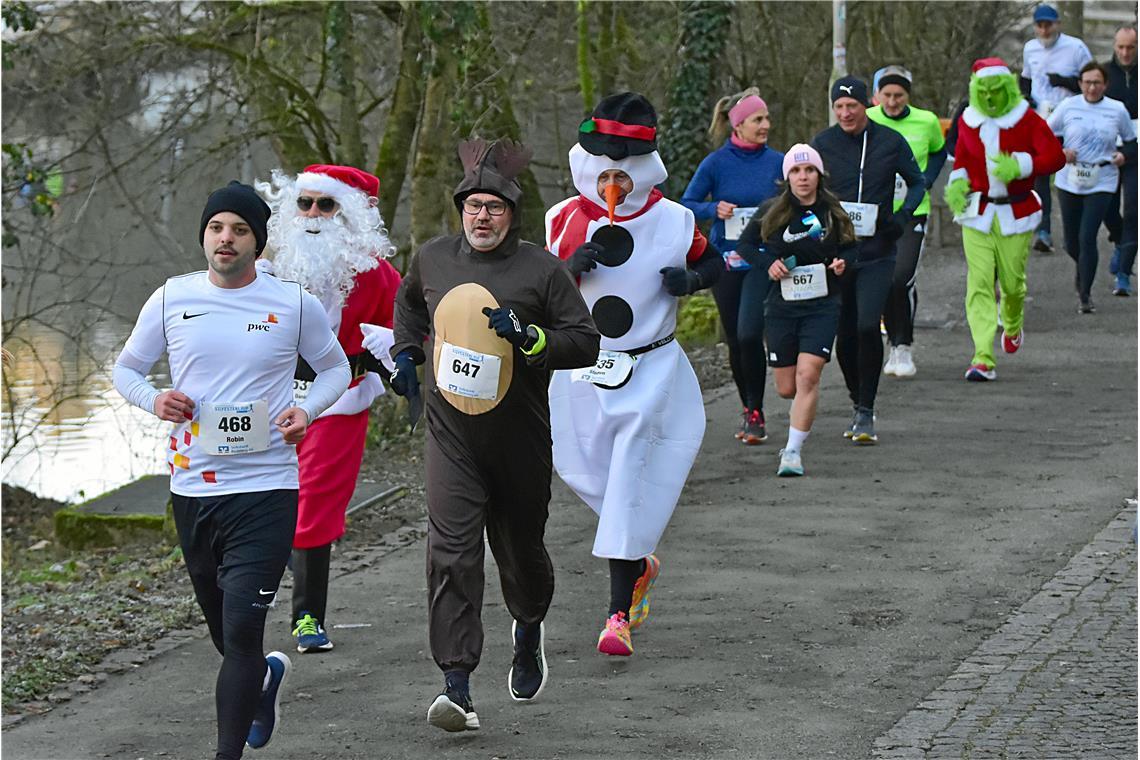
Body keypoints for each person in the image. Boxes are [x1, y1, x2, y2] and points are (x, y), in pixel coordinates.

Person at [112, 182, 351, 759]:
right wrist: (155, 399)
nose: (226, 239)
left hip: (267, 486)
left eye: (239, 230)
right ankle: (265, 681)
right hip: (194, 487)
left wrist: (307, 409)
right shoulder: (171, 298)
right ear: (204, 237)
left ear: (257, 242)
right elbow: (126, 370)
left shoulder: (293, 303)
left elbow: (335, 370)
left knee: (243, 633)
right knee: (226, 634)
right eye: (217, 228)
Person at [390, 139, 599, 732]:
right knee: (451, 553)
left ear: (512, 214)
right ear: (461, 210)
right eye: (473, 206)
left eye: (495, 207)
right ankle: (456, 685)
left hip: (519, 439)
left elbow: (585, 340)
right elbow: (409, 307)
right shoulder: (433, 259)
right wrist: (407, 355)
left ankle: (528, 626)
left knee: (522, 554)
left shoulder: (543, 270)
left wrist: (531, 337)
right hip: (451, 435)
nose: (482, 216)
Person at [546, 91, 721, 657]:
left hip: (650, 367)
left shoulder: (675, 220)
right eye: (603, 167)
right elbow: (536, 286)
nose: (612, 181)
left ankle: (617, 614)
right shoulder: (562, 219)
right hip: (579, 369)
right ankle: (639, 556)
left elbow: (711, 261)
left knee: (627, 486)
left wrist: (691, 282)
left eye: (624, 167)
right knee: (578, 467)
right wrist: (567, 269)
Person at [255, 164, 402, 653]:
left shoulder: (377, 275)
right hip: (266, 400)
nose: (313, 214)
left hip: (336, 402)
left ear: (349, 214)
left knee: (315, 504)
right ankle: (247, 600)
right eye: (305, 203)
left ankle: (306, 617)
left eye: (326, 204)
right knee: (258, 495)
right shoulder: (266, 268)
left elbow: (408, 330)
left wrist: (396, 355)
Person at [811, 76, 924, 444]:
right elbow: (803, 190)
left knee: (865, 326)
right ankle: (856, 399)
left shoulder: (889, 141)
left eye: (852, 107)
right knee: (844, 334)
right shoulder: (823, 144)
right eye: (839, 107)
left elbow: (918, 182)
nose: (845, 113)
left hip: (877, 251)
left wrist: (902, 216)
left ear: (866, 105)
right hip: (837, 252)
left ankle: (867, 408)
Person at [737, 144, 855, 476]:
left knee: (808, 376)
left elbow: (852, 249)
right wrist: (768, 263)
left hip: (822, 305)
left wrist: (844, 263)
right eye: (796, 171)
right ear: (787, 177)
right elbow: (746, 246)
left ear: (819, 175)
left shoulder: (833, 212)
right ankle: (796, 424)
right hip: (781, 308)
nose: (803, 177)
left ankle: (792, 451)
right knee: (786, 387)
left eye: (809, 171)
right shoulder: (772, 211)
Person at [945, 57, 1065, 381]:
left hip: (1016, 210)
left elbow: (1055, 157)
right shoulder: (968, 120)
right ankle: (982, 357)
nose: (989, 97)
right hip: (977, 213)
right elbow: (964, 160)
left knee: (1012, 284)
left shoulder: (1026, 119)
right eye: (983, 91)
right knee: (979, 283)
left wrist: (1021, 165)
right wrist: (957, 184)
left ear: (1007, 88)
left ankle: (1012, 324)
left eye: (996, 90)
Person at [681, 88, 784, 443]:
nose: (766, 125)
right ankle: (751, 409)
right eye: (758, 119)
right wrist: (714, 209)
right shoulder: (716, 164)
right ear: (738, 126)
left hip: (765, 261)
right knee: (738, 340)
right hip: (728, 261)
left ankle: (770, 394)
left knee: (752, 333)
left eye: (767, 118)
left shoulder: (778, 162)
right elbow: (687, 203)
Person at [868, 65, 948, 378]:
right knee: (884, 278)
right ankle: (891, 345)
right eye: (886, 95)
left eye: (898, 95)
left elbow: (940, 153)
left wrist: (925, 180)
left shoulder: (926, 121)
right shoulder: (869, 119)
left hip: (913, 210)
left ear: (907, 96)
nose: (892, 101)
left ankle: (902, 345)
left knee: (901, 277)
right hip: (876, 212)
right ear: (877, 96)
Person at [1048, 61, 1137, 313]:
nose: (1092, 87)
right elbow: (1044, 134)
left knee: (1088, 237)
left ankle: (1085, 295)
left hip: (1102, 178)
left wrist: (1123, 156)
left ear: (1105, 85)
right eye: (1087, 82)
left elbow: (1132, 142)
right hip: (1070, 179)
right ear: (1080, 84)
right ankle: (1084, 267)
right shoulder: (1068, 106)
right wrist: (1061, 151)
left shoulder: (1116, 110)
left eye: (1097, 82)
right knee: (1071, 242)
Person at [1020, 3, 1092, 253]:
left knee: (1075, 176)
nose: (1043, 30)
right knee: (1041, 176)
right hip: (1043, 122)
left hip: (1072, 120)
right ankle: (1043, 230)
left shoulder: (1076, 48)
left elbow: (1092, 82)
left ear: (1057, 24)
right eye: (1039, 25)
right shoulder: (1030, 48)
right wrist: (1026, 97)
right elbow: (1026, 78)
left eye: (1048, 25)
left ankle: (1081, 227)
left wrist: (1065, 81)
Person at [1104, 26, 1138, 296]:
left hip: (1136, 150)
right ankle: (1118, 241)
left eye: (1131, 47)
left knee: (1134, 212)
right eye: (1121, 47)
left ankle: (1124, 273)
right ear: (1114, 46)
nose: (1125, 53)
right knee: (1107, 208)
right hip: (1108, 149)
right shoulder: (1104, 75)